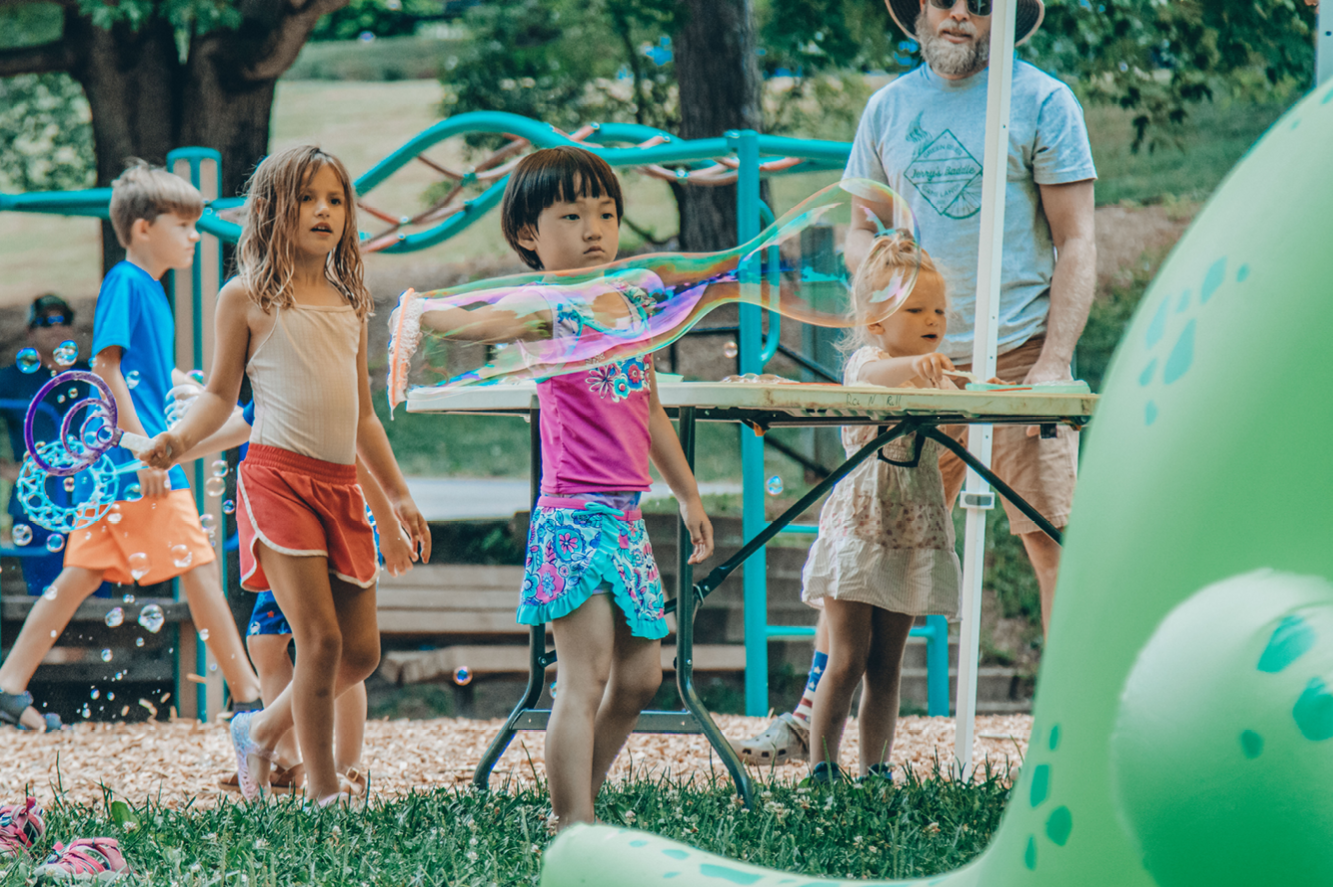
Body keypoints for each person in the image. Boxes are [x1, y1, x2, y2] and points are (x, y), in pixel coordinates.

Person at [737, 0, 1097, 764]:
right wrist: (880, 310)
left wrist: (1052, 362)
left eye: (975, 2)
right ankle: (812, 715)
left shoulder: (1041, 101)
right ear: (919, 13)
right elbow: (858, 227)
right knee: (866, 541)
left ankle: (1072, 722)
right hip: (910, 366)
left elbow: (1076, 238)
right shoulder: (888, 108)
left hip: (1013, 356)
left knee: (1052, 537)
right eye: (942, 1)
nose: (958, 15)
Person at [408, 146, 714, 830]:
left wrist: (688, 494)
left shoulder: (631, 305)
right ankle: (572, 821)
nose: (593, 227)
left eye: (604, 212)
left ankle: (580, 803)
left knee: (639, 680)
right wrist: (421, 314)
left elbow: (651, 409)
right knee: (584, 676)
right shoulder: (546, 306)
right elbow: (483, 323)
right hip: (572, 518)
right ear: (528, 235)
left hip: (627, 517)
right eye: (571, 214)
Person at [141, 145, 431, 806]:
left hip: (338, 485)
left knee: (359, 653)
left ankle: (259, 730)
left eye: (334, 199)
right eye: (306, 198)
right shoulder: (245, 297)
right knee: (319, 639)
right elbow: (218, 396)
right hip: (276, 479)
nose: (323, 210)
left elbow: (362, 415)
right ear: (272, 209)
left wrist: (399, 495)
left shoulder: (350, 297)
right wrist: (175, 441)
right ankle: (323, 790)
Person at [0, 163, 263, 734]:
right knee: (197, 566)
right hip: (138, 463)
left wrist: (182, 383)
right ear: (144, 228)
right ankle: (248, 697)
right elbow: (105, 365)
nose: (196, 235)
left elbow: (141, 371)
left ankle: (9, 683)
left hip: (124, 459)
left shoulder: (147, 288)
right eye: (184, 224)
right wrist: (139, 447)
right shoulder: (129, 281)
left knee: (82, 572)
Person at [173, 398, 417, 797]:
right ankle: (290, 761)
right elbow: (241, 419)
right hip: (283, 509)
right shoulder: (278, 377)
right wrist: (176, 450)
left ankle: (342, 766)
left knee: (332, 646)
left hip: (325, 507)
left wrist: (388, 516)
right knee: (275, 643)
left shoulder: (306, 365)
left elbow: (354, 432)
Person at [802, 235, 963, 783]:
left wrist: (943, 376)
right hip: (862, 528)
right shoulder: (869, 362)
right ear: (875, 321)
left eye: (938, 310)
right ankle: (822, 767)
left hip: (910, 529)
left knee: (887, 666)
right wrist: (921, 365)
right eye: (915, 308)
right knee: (846, 658)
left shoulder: (930, 369)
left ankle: (876, 771)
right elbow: (873, 379)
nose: (931, 319)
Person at [0, 295, 114, 609]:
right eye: (44, 321)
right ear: (29, 332)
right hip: (35, 507)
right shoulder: (9, 380)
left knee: (92, 604)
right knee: (48, 603)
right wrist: (7, 470)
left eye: (62, 319)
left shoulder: (89, 376)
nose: (55, 327)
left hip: (89, 502)